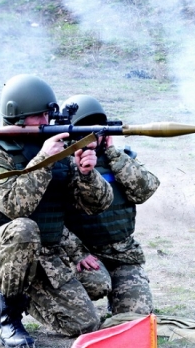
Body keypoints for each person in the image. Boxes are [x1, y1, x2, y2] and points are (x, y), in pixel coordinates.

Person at [0, 75, 114, 348]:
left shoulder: (57, 148)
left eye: (47, 114)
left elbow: (95, 205)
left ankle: (23, 289)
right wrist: (44, 159)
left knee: (86, 318)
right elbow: (17, 207)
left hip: (42, 249)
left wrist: (87, 173)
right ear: (18, 116)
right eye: (38, 115)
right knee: (23, 228)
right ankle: (8, 318)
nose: (45, 121)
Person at [60, 95, 159, 317]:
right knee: (97, 284)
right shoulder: (60, 163)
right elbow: (48, 218)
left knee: (136, 315)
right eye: (84, 129)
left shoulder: (118, 159)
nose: (92, 135)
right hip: (81, 255)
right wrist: (76, 253)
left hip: (121, 255)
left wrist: (113, 153)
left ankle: (117, 303)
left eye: (96, 128)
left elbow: (145, 190)